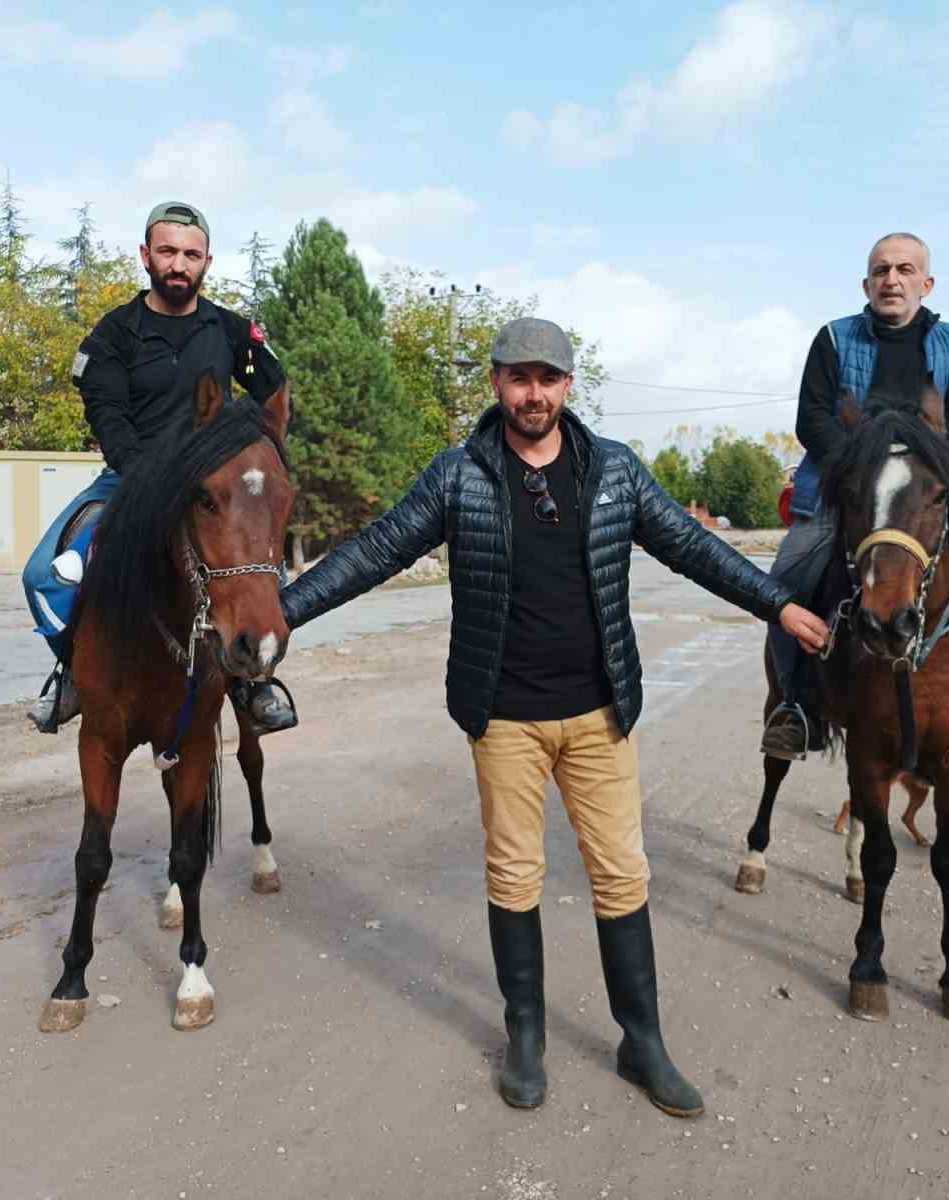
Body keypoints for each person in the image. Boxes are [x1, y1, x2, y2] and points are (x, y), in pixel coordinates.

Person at [279, 318, 827, 1116]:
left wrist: (777, 604)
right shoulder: (457, 475)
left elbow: (693, 548)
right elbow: (377, 550)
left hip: (599, 715)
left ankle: (642, 1042)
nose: (533, 393)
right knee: (513, 875)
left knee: (621, 875)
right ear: (496, 383)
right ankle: (526, 1038)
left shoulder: (614, 472)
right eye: (517, 377)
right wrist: (286, 611)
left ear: (569, 387)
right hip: (503, 718)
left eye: (547, 379)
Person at [760, 232, 949, 760]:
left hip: (925, 487)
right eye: (880, 270)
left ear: (926, 282)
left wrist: (927, 466)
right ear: (866, 282)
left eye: (904, 270)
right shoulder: (832, 337)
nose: (891, 279)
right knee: (786, 577)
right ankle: (795, 704)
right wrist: (859, 463)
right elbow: (812, 418)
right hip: (847, 488)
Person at [22, 201, 295, 735]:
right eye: (168, 251)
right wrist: (146, 477)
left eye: (191, 255)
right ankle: (72, 672)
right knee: (42, 577)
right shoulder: (115, 334)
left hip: (213, 487)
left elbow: (274, 398)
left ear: (207, 263)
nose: (179, 264)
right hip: (127, 481)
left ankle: (251, 682)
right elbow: (107, 412)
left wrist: (251, 459)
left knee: (263, 576)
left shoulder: (232, 332)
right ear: (146, 256)